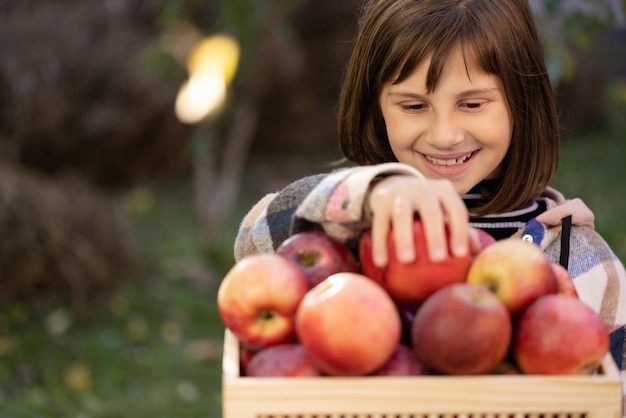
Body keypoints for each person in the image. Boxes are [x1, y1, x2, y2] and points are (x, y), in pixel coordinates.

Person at [234, 0, 626, 413]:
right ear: (377, 107)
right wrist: (372, 193)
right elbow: (252, 244)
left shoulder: (575, 259)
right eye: (414, 106)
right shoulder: (353, 227)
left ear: (521, 102)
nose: (445, 135)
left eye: (473, 104)